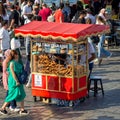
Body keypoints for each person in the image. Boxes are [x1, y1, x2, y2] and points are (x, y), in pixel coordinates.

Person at [0, 50, 28, 115]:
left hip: (18, 80)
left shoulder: (16, 62)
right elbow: (12, 73)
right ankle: (2, 108)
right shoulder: (12, 63)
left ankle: (22, 109)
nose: (18, 55)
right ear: (14, 55)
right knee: (12, 95)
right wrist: (17, 81)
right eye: (17, 54)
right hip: (14, 81)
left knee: (22, 94)